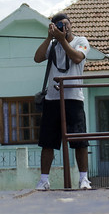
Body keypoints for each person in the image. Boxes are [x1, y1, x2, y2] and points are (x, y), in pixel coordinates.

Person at [34, 12, 92, 190]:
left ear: (70, 25)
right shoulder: (53, 45)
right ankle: (44, 180)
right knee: (47, 142)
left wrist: (62, 40)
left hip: (74, 98)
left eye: (65, 25)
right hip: (52, 99)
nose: (62, 28)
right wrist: (49, 38)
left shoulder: (81, 41)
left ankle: (83, 179)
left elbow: (76, 58)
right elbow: (37, 58)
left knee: (79, 141)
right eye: (58, 26)